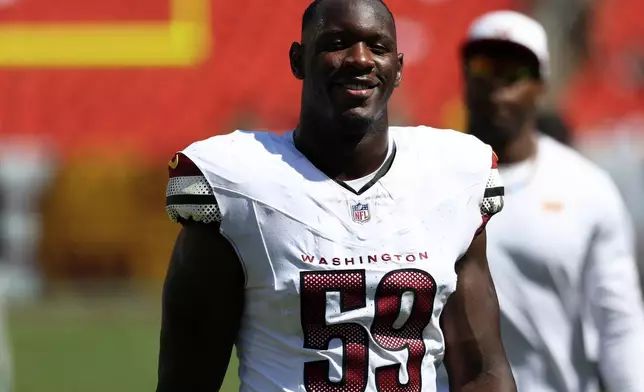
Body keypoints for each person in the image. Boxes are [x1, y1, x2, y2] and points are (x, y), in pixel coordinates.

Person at [156, 0, 517, 391]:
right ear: (298, 60)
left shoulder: (453, 176)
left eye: (377, 47)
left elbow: (483, 372)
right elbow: (187, 380)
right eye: (338, 42)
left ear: (398, 68)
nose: (360, 59)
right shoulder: (238, 184)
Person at [438, 10, 644, 392]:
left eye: (514, 71)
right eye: (483, 65)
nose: (497, 82)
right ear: (464, 75)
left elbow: (619, 322)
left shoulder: (587, 188)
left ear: (541, 84)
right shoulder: (426, 178)